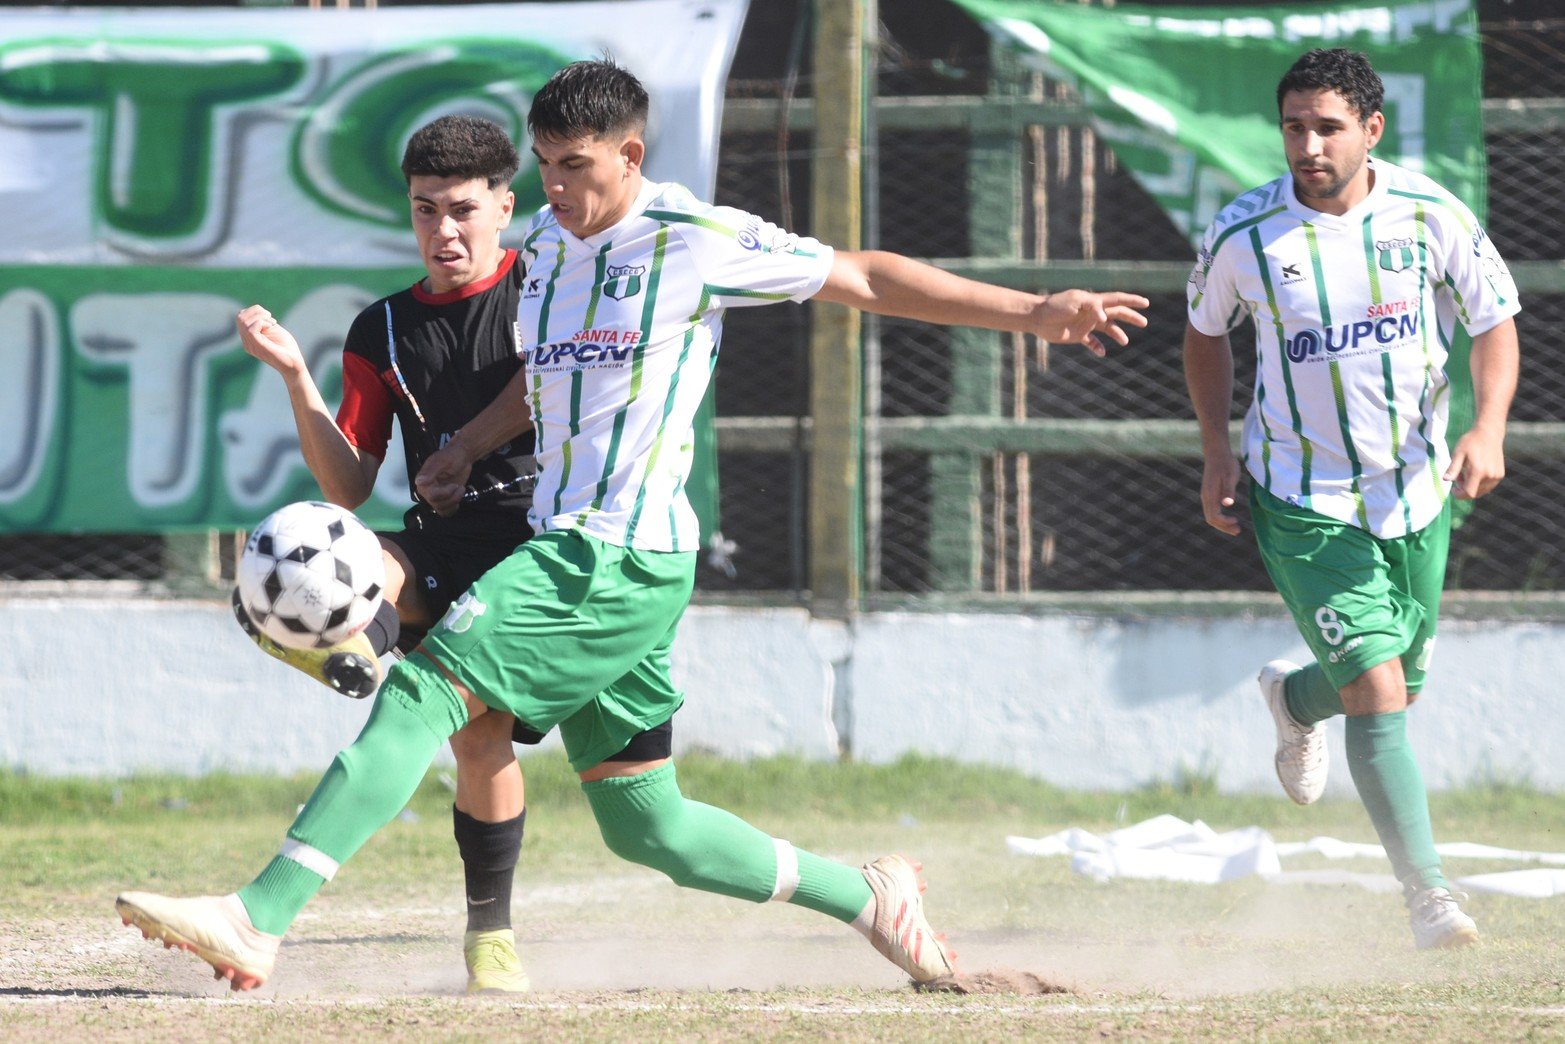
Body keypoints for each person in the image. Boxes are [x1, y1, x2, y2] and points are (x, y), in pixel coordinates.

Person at [116, 58, 1149, 991]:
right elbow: (549, 387)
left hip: (612, 553)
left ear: (630, 154)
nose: (558, 189)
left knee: (426, 691)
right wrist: (470, 444)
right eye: (546, 167)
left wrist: (1030, 311)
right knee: (653, 830)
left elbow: (864, 276)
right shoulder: (550, 257)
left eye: (576, 167)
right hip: (588, 555)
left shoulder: (691, 236)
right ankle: (869, 894)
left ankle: (257, 920)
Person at [1183, 49, 1519, 949]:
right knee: (1375, 690)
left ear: (1370, 130)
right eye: (1294, 126)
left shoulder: (1428, 212)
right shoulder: (1243, 234)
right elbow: (1203, 334)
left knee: (1399, 687)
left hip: (1415, 488)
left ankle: (1294, 700)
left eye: (1327, 126)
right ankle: (1428, 900)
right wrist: (1218, 447)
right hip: (1296, 493)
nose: (1308, 144)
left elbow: (1492, 321)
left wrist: (1485, 429)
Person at [228, 114, 547, 993]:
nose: (443, 231)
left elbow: (548, 391)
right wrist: (296, 376)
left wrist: (466, 452)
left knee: (489, 746)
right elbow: (348, 488)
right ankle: (350, 642)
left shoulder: (550, 290)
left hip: (542, 549)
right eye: (423, 211)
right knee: (304, 553)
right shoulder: (383, 331)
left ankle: (490, 933)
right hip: (440, 543)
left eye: (462, 211)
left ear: (504, 206)